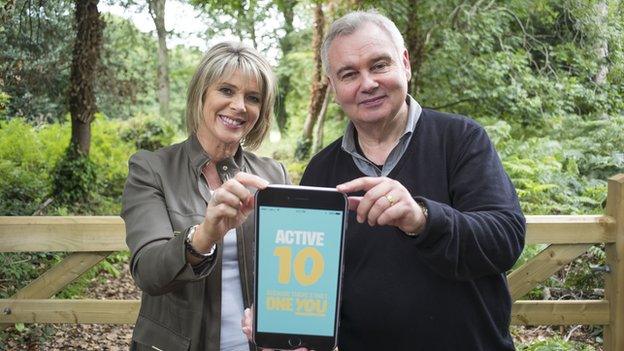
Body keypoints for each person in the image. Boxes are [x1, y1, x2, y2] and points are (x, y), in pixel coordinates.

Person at [298, 10, 526, 351]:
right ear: (333, 87)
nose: (368, 83)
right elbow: (307, 280)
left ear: (404, 64)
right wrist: (279, 318)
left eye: (379, 65)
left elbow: (505, 239)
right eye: (349, 74)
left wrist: (422, 218)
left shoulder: (461, 139)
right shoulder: (321, 171)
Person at [121, 41, 290, 351]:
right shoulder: (152, 168)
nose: (240, 105)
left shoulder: (274, 175)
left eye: (252, 98)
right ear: (201, 94)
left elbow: (288, 274)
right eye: (226, 90)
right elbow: (148, 272)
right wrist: (203, 236)